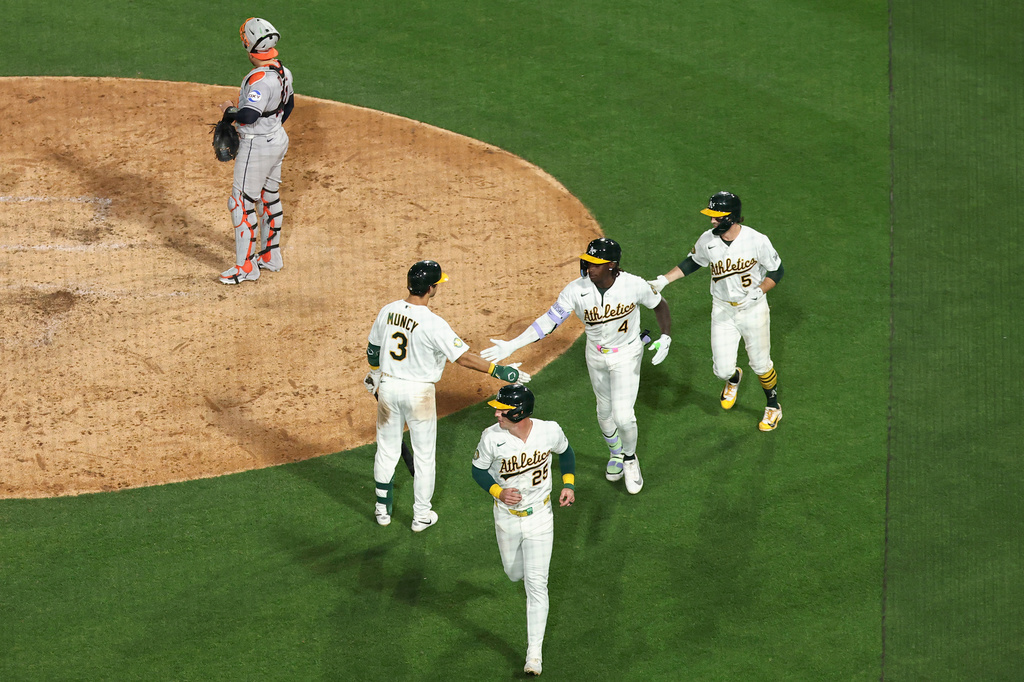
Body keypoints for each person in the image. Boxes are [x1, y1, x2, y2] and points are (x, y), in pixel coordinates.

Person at [482, 238, 670, 495]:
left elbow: (660, 305)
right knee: (604, 413)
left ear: (612, 266)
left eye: (595, 264)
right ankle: (615, 454)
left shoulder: (634, 285)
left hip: (627, 354)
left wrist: (665, 336)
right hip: (595, 356)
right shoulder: (575, 290)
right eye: (588, 262)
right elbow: (548, 321)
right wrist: (513, 345)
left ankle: (629, 459)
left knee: (623, 416)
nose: (589, 267)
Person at [366, 260, 530, 532]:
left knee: (386, 449)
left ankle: (382, 510)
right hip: (418, 394)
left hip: (389, 388)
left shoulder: (388, 311)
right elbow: (463, 358)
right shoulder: (433, 323)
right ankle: (421, 516)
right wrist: (501, 371)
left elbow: (373, 349)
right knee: (424, 456)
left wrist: (374, 375)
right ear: (430, 289)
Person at [648, 191, 784, 431]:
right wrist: (663, 281)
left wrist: (760, 291)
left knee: (761, 364)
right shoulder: (707, 240)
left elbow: (777, 271)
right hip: (722, 310)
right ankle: (733, 379)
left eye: (716, 217)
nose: (712, 221)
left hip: (753, 309)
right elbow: (692, 262)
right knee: (721, 369)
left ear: (731, 218)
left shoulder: (757, 240)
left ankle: (773, 407)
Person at [472, 384, 575, 677]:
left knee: (536, 585)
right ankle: (519, 572)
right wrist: (498, 492)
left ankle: (534, 655)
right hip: (506, 518)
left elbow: (566, 453)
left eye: (502, 410)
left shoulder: (549, 431)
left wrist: (568, 483)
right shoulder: (491, 438)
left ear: (518, 412)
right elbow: (477, 470)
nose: (496, 413)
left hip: (541, 517)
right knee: (513, 573)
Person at [217, 17, 295, 284]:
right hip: (277, 138)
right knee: (268, 195)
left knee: (240, 202)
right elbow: (290, 105)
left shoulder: (260, 79)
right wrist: (272, 128)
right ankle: (271, 256)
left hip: (258, 146)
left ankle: (246, 267)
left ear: (249, 46)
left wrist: (229, 112)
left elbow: (249, 116)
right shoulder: (283, 71)